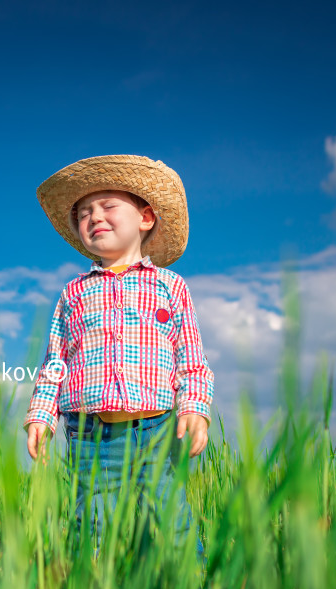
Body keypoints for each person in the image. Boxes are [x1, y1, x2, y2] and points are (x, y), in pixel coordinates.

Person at [22, 154, 213, 555]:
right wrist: (41, 415)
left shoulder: (170, 286)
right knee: (90, 525)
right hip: (90, 432)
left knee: (168, 524)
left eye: (108, 206)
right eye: (83, 214)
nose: (94, 217)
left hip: (157, 431)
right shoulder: (73, 293)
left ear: (145, 217)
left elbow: (190, 358)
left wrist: (194, 408)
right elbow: (55, 362)